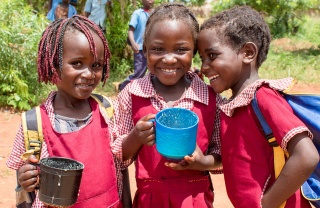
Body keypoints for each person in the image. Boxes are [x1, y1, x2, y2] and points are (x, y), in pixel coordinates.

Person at [197, 5, 319, 208]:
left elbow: (306, 155)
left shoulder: (263, 97)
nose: (204, 66)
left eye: (212, 56)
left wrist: (266, 205)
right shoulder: (233, 106)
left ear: (248, 52)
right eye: (202, 58)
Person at [6, 15, 125, 207]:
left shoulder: (108, 111)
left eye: (96, 65)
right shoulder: (33, 124)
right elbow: (23, 188)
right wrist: (24, 180)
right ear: (54, 64)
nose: (88, 74)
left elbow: (122, 170)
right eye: (77, 63)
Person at [113, 3, 222, 207]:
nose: (169, 59)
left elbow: (222, 154)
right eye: (158, 49)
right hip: (150, 199)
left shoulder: (210, 98)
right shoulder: (131, 94)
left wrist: (203, 163)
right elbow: (118, 155)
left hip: (195, 199)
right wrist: (135, 137)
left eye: (181, 50)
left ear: (194, 52)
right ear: (145, 50)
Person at [118, 0, 154, 91]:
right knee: (139, 73)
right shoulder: (137, 13)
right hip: (140, 49)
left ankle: (146, 90)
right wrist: (133, 43)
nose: (150, 1)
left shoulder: (155, 14)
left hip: (152, 49)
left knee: (153, 72)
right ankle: (123, 87)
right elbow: (131, 30)